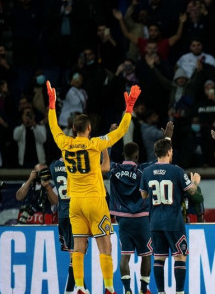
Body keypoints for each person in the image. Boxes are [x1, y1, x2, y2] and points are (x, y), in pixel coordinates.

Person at [47, 81, 141, 294]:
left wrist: (51, 107)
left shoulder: (65, 144)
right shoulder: (95, 144)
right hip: (95, 200)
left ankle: (80, 286)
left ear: (72, 128)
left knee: (78, 248)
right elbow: (123, 130)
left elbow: (53, 128)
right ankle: (108, 287)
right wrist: (129, 109)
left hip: (74, 203)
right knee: (105, 246)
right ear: (89, 129)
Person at [140, 139, 201, 294]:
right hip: (173, 221)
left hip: (155, 222)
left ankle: (161, 292)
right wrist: (195, 182)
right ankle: (179, 292)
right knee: (180, 256)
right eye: (171, 151)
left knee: (159, 258)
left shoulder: (147, 171)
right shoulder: (177, 171)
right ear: (168, 152)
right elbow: (192, 192)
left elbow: (143, 194)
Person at [109, 142, 152, 294]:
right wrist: (167, 137)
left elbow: (104, 161)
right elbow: (160, 160)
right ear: (137, 155)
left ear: (123, 155)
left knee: (125, 255)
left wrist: (110, 142)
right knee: (146, 255)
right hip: (141, 218)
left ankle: (127, 290)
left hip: (123, 219)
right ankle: (143, 290)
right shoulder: (142, 169)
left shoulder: (114, 169)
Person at [50, 156, 79, 294]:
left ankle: (81, 288)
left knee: (74, 255)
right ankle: (69, 291)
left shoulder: (53, 165)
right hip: (75, 213)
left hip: (62, 215)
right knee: (77, 256)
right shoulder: (77, 166)